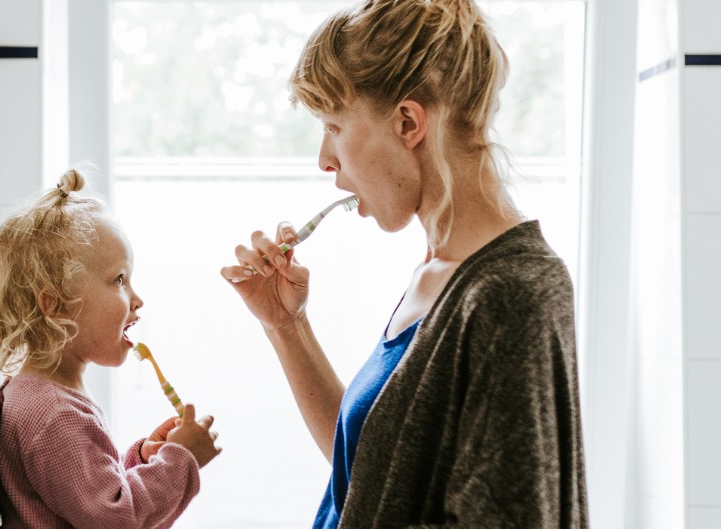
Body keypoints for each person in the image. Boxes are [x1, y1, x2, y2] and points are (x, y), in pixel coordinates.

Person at [219, 0, 587, 527]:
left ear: (408, 122)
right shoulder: (439, 275)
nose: (325, 159)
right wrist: (287, 326)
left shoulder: (512, 294)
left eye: (334, 126)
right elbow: (376, 477)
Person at [0, 169, 223, 528]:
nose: (137, 300)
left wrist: (141, 460)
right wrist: (180, 459)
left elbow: (85, 498)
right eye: (120, 280)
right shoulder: (55, 414)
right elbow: (117, 519)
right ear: (57, 305)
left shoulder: (41, 396)